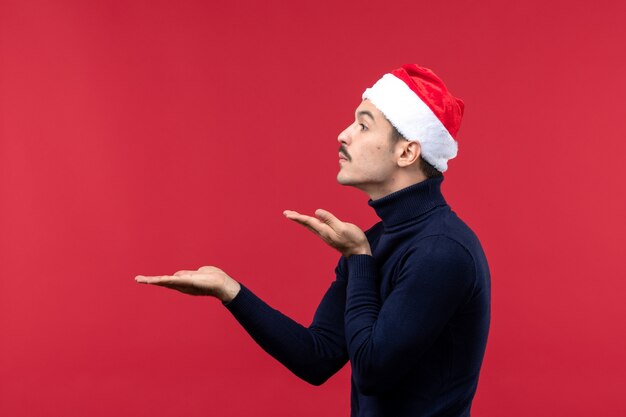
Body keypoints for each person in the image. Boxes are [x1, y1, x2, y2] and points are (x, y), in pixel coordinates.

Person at [135, 64, 491, 417]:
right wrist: (229, 290)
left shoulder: (442, 251)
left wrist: (359, 259)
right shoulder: (372, 241)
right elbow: (316, 356)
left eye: (363, 125)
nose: (344, 134)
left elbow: (372, 372)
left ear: (406, 153)